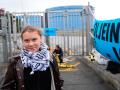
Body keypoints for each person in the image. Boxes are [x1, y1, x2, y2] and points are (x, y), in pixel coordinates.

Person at [1, 25, 63, 90]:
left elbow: (57, 81)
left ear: (40, 39)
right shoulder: (16, 62)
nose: (31, 44)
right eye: (26, 40)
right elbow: (7, 87)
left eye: (34, 39)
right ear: (23, 41)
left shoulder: (50, 58)